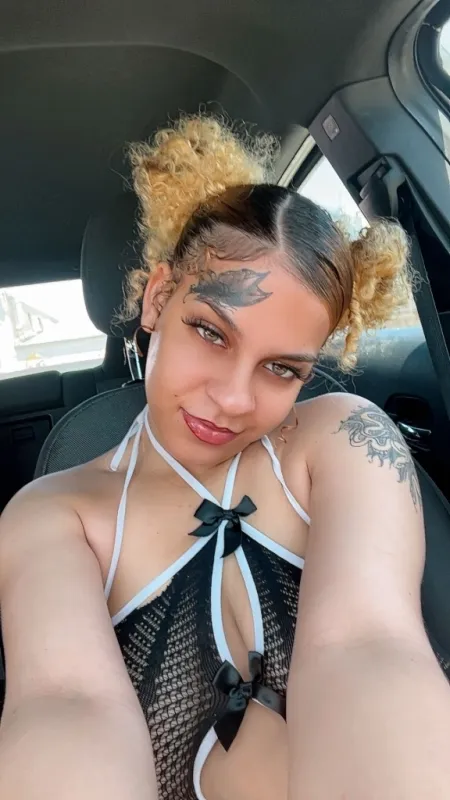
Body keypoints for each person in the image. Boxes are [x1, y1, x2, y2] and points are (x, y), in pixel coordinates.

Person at [0, 115, 449, 800]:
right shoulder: (53, 515)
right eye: (211, 332)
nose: (234, 400)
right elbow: (66, 704)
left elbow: (369, 643)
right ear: (158, 299)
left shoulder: (343, 437)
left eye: (282, 369)